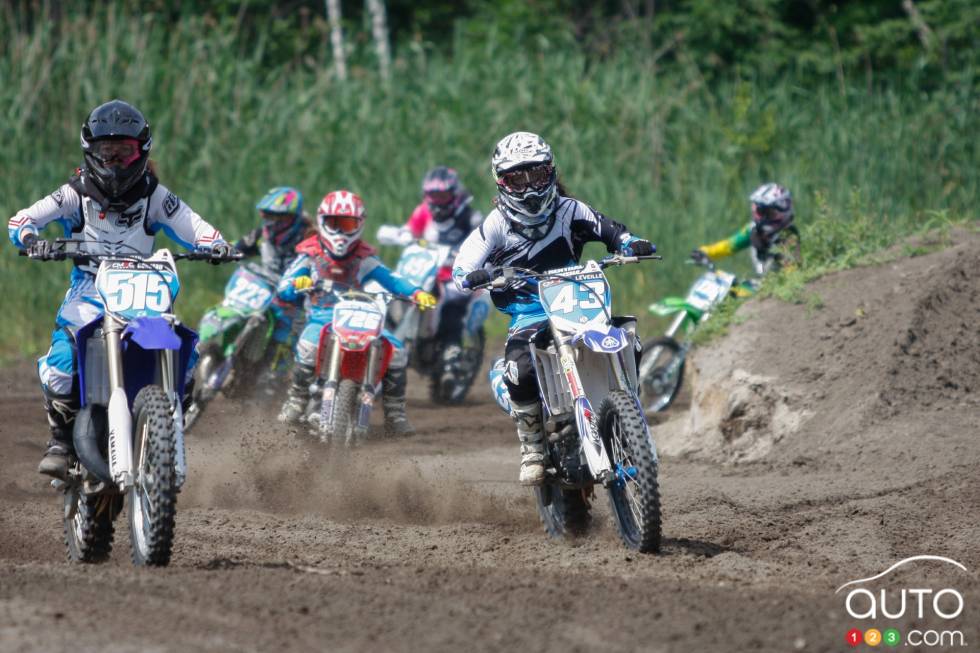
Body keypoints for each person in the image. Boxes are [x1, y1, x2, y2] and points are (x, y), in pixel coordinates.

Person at [6, 99, 232, 479]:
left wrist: (216, 243)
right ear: (89, 152)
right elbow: (23, 219)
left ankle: (162, 429)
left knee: (183, 358)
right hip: (90, 288)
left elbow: (194, 225)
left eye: (123, 153)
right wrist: (31, 238)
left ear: (141, 152)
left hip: (141, 290)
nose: (113, 163)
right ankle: (61, 440)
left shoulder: (154, 196)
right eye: (105, 153)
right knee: (61, 365)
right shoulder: (73, 194)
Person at [452, 131, 655, 485]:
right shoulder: (495, 225)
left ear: (551, 172)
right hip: (530, 311)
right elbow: (461, 268)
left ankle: (629, 417)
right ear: (502, 182)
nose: (530, 188)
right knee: (519, 366)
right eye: (518, 178)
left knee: (628, 341)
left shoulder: (570, 210)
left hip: (579, 301)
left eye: (537, 175)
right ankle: (532, 447)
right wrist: (479, 275)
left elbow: (611, 230)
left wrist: (631, 243)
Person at [277, 190, 436, 435]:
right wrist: (295, 285)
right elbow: (285, 285)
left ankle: (395, 413)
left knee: (396, 351)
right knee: (308, 344)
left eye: (348, 224)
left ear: (359, 225)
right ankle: (297, 399)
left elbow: (393, 279)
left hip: (359, 314)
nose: (340, 232)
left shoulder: (364, 258)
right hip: (322, 315)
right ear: (322, 222)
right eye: (334, 223)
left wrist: (416, 293)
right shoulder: (310, 255)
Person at [198, 187, 312, 380]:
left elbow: (321, 268)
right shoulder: (262, 236)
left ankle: (273, 381)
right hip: (265, 290)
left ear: (293, 218)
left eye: (279, 218)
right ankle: (225, 348)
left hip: (295, 301)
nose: (272, 222)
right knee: (235, 310)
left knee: (288, 334)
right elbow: (239, 246)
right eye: (268, 215)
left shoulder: (309, 240)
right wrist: (219, 252)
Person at [403, 166, 485, 375]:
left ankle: (451, 350)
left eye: (443, 195)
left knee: (452, 307)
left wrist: (466, 257)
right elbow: (409, 231)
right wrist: (400, 235)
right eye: (433, 195)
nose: (438, 201)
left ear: (454, 193)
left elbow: (484, 245)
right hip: (427, 272)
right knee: (400, 292)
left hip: (457, 277)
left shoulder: (470, 218)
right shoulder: (423, 211)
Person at [691, 183, 800, 275]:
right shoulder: (753, 231)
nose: (759, 216)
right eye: (759, 211)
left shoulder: (788, 235)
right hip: (762, 285)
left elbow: (793, 271)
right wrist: (705, 252)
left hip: (779, 288)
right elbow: (729, 245)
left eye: (764, 211)